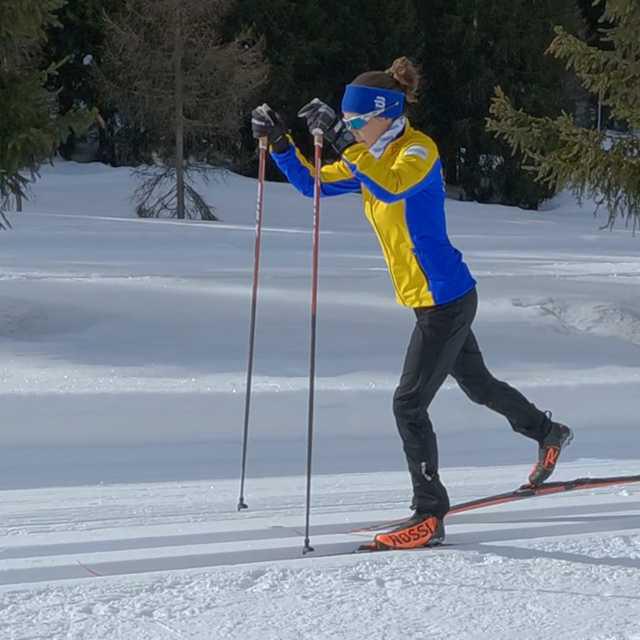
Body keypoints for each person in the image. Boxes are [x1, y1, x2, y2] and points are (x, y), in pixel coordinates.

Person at [251, 57, 573, 550]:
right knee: (479, 385)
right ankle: (548, 432)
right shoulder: (370, 156)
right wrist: (280, 143)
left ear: (385, 115)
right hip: (435, 299)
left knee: (408, 404)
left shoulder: (417, 151)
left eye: (356, 120)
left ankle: (429, 514)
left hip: (445, 299)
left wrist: (342, 140)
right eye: (346, 120)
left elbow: (391, 185)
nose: (351, 127)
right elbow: (311, 183)